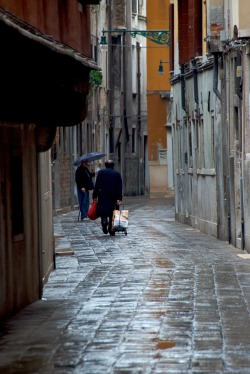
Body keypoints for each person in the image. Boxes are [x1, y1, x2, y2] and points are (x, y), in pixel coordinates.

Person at [92, 160, 122, 235]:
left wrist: (94, 196)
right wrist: (119, 198)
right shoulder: (117, 174)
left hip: (103, 195)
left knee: (103, 209)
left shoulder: (101, 173)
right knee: (113, 211)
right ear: (113, 165)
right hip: (113, 195)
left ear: (105, 165)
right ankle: (111, 228)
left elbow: (97, 185)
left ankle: (104, 221)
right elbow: (119, 187)